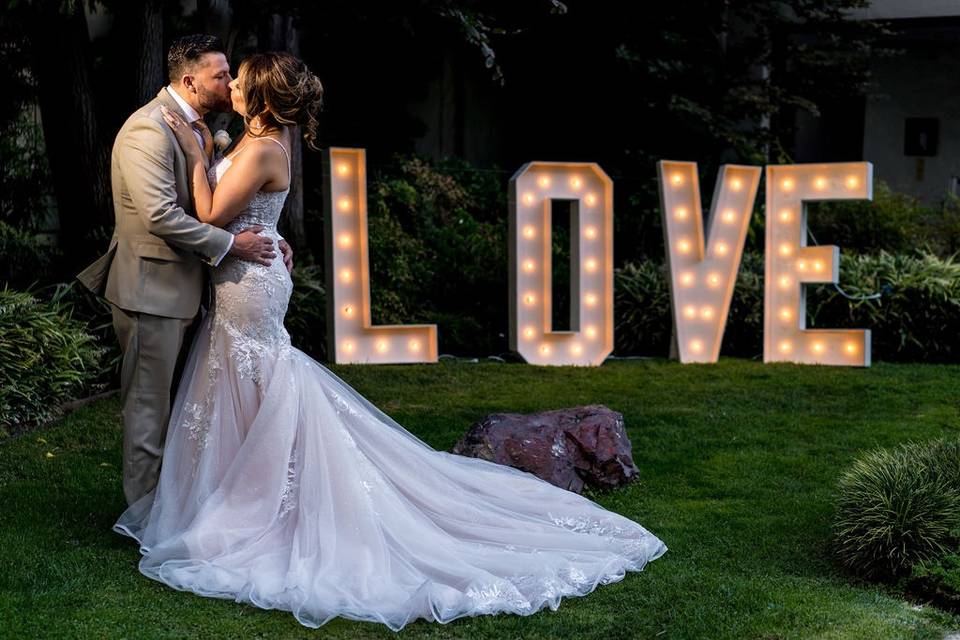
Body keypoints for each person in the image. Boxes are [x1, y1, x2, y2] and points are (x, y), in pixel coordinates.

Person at [114, 50, 666, 631]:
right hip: (244, 276)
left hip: (248, 284)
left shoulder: (256, 149)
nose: (232, 88)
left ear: (262, 98)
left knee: (255, 382)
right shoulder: (261, 146)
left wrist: (201, 154)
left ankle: (261, 504)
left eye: (241, 81)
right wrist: (250, 206)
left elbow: (205, 210)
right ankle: (239, 493)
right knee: (243, 385)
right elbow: (245, 215)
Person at [77, 35, 293, 506]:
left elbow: (239, 195)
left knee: (196, 404)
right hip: (152, 289)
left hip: (198, 288)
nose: (230, 82)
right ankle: (144, 516)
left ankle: (185, 504)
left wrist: (269, 230)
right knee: (150, 408)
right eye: (221, 76)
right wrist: (233, 243)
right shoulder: (149, 130)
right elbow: (161, 217)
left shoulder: (207, 127)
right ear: (191, 81)